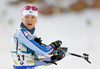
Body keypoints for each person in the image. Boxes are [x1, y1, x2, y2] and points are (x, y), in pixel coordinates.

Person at [11, 4, 65, 69]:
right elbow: (43, 51)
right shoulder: (21, 33)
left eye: (33, 17)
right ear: (22, 19)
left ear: (36, 20)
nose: (29, 20)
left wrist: (52, 59)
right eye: (26, 16)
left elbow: (32, 62)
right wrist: (53, 45)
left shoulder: (31, 35)